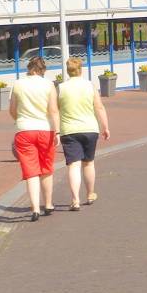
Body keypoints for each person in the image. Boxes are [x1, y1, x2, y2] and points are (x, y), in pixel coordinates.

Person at [9, 56, 59, 222]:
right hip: (45, 129)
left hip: (24, 131)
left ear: (29, 68)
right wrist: (57, 132)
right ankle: (49, 204)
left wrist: (19, 120)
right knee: (46, 168)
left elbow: (12, 109)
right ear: (43, 70)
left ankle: (35, 208)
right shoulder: (48, 85)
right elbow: (53, 110)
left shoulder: (18, 84)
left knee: (31, 171)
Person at [57, 57, 110, 210]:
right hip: (90, 129)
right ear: (81, 70)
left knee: (73, 165)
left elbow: (55, 109)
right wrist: (105, 127)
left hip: (69, 130)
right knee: (88, 163)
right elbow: (99, 107)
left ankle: (75, 200)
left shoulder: (60, 88)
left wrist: (55, 130)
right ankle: (90, 193)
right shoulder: (90, 86)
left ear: (68, 71)